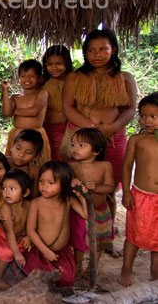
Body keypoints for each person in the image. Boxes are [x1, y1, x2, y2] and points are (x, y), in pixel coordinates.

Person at [63, 29, 137, 252]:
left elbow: (131, 109)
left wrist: (112, 128)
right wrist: (90, 128)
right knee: (76, 188)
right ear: (85, 52)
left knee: (107, 190)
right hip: (82, 139)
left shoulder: (125, 78)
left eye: (103, 49)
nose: (97, 54)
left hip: (114, 140)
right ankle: (76, 238)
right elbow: (68, 107)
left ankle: (106, 238)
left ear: (113, 50)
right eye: (91, 50)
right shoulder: (75, 77)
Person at [23, 161, 88, 287]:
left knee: (66, 280)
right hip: (40, 251)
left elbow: (86, 215)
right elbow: (30, 230)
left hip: (61, 253)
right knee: (39, 280)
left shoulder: (68, 201)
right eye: (41, 181)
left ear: (63, 185)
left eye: (51, 183)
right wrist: (46, 251)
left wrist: (82, 197)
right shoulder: (36, 203)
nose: (44, 186)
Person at [117, 92, 158, 287]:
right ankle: (126, 268)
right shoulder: (136, 139)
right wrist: (126, 191)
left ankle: (155, 271)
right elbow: (126, 166)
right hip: (141, 196)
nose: (147, 121)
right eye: (143, 116)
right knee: (134, 235)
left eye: (153, 116)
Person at [70, 128, 115, 273]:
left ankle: (92, 267)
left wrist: (96, 188)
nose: (75, 148)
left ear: (96, 150)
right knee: (79, 241)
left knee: (99, 241)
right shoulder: (71, 167)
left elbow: (110, 187)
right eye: (73, 145)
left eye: (81, 145)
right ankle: (77, 266)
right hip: (80, 212)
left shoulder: (105, 166)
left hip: (100, 212)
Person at [0, 169, 32, 290]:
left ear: (25, 193)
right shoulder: (6, 208)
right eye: (4, 188)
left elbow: (32, 223)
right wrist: (16, 253)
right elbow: (9, 232)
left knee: (26, 246)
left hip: (16, 237)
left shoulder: (29, 205)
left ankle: (13, 266)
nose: (6, 192)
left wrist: (29, 236)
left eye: (12, 189)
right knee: (8, 252)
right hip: (1, 236)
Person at [2, 59, 51, 167]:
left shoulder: (42, 94)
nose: (27, 79)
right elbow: (6, 112)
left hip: (36, 136)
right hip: (18, 136)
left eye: (32, 76)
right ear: (19, 78)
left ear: (39, 78)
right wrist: (6, 91)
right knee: (15, 167)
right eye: (23, 76)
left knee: (36, 166)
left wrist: (13, 111)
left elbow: (34, 111)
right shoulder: (15, 97)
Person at [42, 45, 74, 161]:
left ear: (67, 63)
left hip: (67, 132)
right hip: (45, 131)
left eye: (59, 63)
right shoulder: (42, 81)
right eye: (50, 64)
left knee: (65, 165)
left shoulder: (73, 81)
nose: (54, 68)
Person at [6, 129, 43, 198]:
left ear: (35, 156)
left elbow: (35, 196)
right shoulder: (3, 162)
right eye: (18, 148)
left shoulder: (34, 172)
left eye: (28, 152)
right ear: (11, 146)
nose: (21, 155)